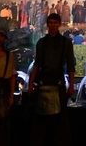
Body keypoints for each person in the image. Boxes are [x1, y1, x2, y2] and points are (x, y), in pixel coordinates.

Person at [27, 12, 75, 146]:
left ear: (59, 24)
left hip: (58, 84)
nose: (53, 25)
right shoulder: (41, 43)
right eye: (50, 23)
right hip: (43, 83)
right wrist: (31, 84)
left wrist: (71, 85)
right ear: (47, 25)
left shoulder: (66, 43)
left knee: (60, 121)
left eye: (55, 23)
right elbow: (37, 64)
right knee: (40, 121)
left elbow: (71, 65)